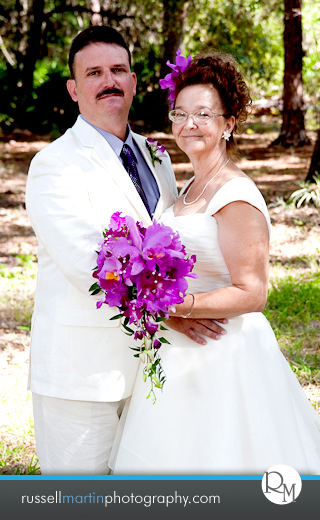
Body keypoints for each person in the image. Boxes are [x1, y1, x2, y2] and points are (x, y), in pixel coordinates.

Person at [25, 27, 227, 475]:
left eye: (118, 70)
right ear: (74, 90)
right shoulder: (54, 164)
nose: (108, 81)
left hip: (153, 372)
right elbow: (87, 266)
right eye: (94, 73)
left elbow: (175, 244)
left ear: (134, 82)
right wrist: (175, 311)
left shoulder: (155, 156)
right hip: (82, 375)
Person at [111, 52, 320, 474]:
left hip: (225, 352)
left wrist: (172, 306)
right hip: (179, 351)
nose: (189, 124)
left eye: (204, 114)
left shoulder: (235, 193)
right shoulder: (188, 186)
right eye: (180, 113)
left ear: (228, 123)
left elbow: (253, 292)